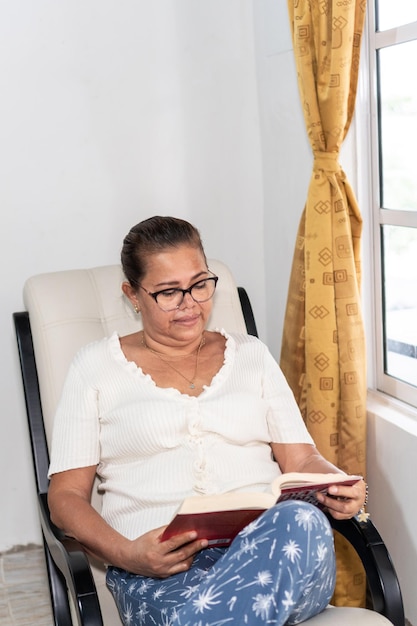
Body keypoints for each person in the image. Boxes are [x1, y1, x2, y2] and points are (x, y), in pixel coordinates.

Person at [48, 216, 367, 626]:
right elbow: (65, 498)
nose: (190, 303)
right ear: (133, 294)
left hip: (275, 553)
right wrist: (130, 555)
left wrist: (338, 482)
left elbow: (302, 461)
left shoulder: (251, 355)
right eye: (168, 292)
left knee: (302, 518)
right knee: (198, 612)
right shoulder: (94, 367)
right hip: (161, 572)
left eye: (200, 284)